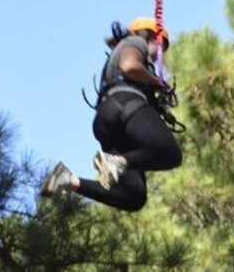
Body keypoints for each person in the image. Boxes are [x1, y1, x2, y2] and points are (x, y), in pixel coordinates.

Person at [39, 17, 182, 211]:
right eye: (158, 49)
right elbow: (129, 66)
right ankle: (119, 162)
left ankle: (68, 180)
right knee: (170, 153)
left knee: (134, 197)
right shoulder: (135, 42)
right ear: (151, 37)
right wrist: (156, 81)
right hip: (125, 105)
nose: (158, 56)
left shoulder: (118, 52)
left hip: (107, 118)